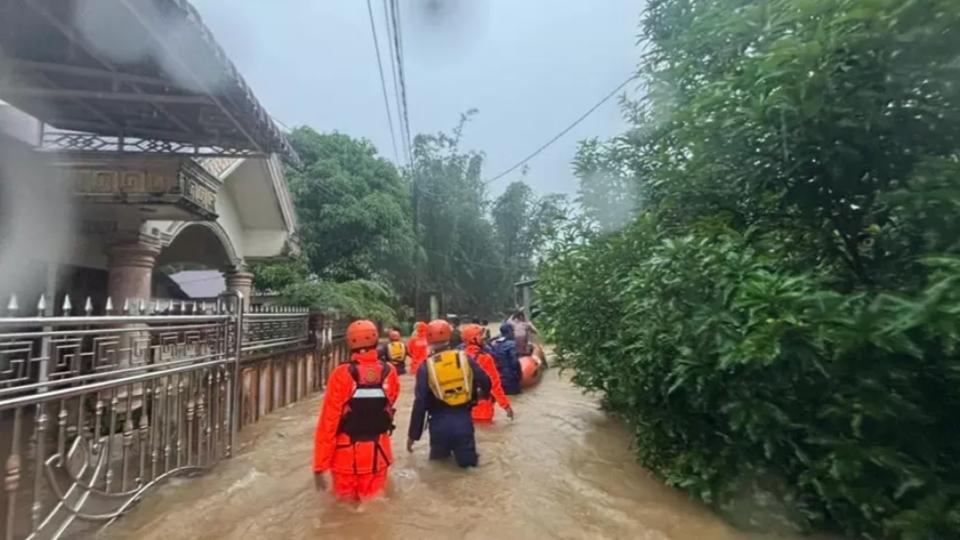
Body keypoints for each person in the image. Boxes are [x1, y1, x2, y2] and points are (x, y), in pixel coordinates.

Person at [313, 320, 399, 502]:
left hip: (345, 457)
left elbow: (329, 421)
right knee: (373, 508)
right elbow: (389, 403)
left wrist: (320, 465)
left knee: (343, 512)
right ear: (376, 340)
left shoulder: (341, 373)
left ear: (349, 342)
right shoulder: (390, 371)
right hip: (378, 454)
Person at [407, 319, 491, 468]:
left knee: (439, 468)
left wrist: (413, 435)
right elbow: (485, 381)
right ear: (449, 337)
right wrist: (482, 396)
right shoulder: (465, 358)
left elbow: (420, 403)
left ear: (429, 340)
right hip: (463, 421)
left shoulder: (425, 367)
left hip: (438, 425)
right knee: (469, 469)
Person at [461, 324, 513, 423]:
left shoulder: (459, 357)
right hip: (483, 410)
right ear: (473, 339)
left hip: (463, 411)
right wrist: (506, 406)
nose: (484, 337)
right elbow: (495, 385)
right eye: (480, 335)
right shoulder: (485, 358)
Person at [490, 322, 523, 395]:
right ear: (509, 332)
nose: (514, 333)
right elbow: (515, 362)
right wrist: (519, 375)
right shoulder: (511, 344)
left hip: (499, 380)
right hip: (510, 379)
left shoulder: (495, 344)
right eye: (513, 331)